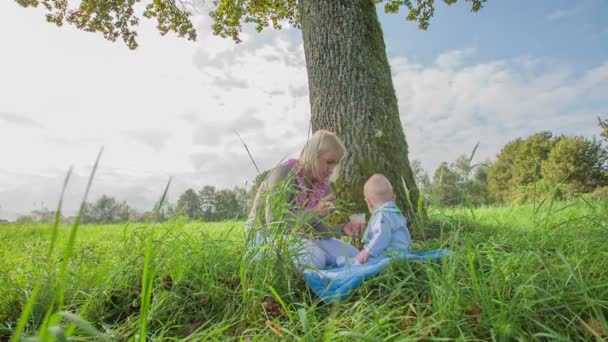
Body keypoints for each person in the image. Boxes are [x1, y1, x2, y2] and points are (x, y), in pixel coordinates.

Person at [245, 130, 365, 270]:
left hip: (298, 238)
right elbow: (274, 222)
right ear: (313, 154)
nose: (332, 169)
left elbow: (319, 231)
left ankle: (316, 265)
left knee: (353, 254)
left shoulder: (323, 186)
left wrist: (343, 228)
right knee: (314, 257)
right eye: (329, 162)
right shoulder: (284, 174)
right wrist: (315, 212)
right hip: (264, 237)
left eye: (336, 164)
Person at [336, 174, 412, 266]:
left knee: (367, 260)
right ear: (393, 198)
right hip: (404, 252)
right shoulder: (396, 212)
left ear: (369, 203)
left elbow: (382, 236)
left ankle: (351, 263)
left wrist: (368, 251)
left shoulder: (381, 215)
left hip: (391, 254)